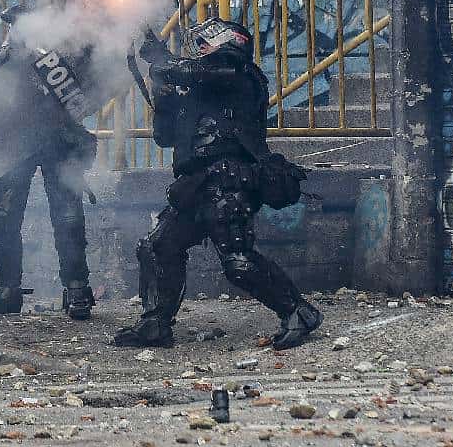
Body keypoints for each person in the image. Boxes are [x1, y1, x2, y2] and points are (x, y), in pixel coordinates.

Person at [112, 17, 321, 349]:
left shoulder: (237, 73)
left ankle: (300, 313)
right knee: (158, 246)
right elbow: (165, 137)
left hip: (229, 181)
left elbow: (188, 71)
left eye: (205, 42)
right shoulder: (199, 88)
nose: (200, 49)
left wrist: (160, 60)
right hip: (196, 184)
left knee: (238, 261)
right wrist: (164, 97)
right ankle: (155, 323)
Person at [0, 6, 97, 320]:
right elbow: (5, 67)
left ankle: (76, 288)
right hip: (22, 133)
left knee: (66, 215)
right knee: (3, 212)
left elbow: (86, 92)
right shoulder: (24, 38)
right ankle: (11, 289)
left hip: (53, 133)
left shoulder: (77, 35)